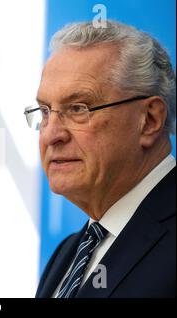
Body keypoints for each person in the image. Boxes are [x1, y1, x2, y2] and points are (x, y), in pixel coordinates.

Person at [26, 20, 176, 298]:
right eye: (46, 111)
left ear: (150, 120)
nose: (52, 135)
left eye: (78, 108)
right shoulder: (71, 250)